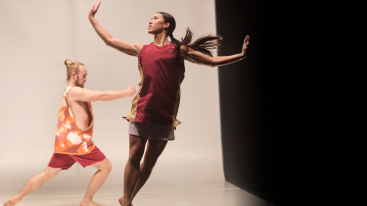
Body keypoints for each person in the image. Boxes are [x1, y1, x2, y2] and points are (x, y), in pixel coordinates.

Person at [88, 1, 250, 206]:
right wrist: (92, 19)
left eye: (155, 18)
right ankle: (127, 201)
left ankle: (129, 197)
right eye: (150, 18)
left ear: (167, 25)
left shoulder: (178, 50)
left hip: (165, 115)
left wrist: (240, 56)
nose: (150, 20)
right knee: (134, 156)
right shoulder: (142, 49)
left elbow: (210, 62)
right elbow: (110, 40)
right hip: (142, 110)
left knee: (149, 163)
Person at [3, 59, 136, 206]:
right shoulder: (74, 91)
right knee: (106, 167)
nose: (85, 79)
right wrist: (125, 93)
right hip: (77, 144)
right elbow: (101, 96)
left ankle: (16, 198)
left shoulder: (70, 92)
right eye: (83, 76)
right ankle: (86, 201)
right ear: (74, 75)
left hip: (66, 144)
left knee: (47, 174)